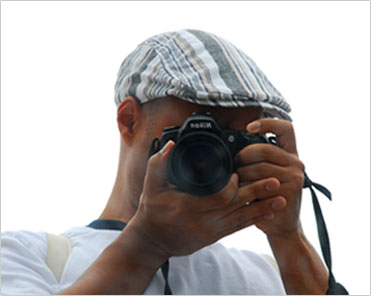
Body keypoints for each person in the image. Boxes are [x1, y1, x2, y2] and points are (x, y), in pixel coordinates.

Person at [1, 29, 330, 295]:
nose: (219, 154)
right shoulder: (26, 256)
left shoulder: (273, 277)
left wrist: (288, 236)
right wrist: (146, 245)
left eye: (241, 137)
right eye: (202, 129)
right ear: (129, 120)